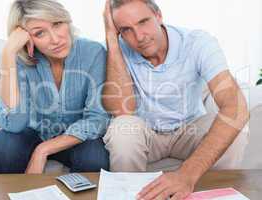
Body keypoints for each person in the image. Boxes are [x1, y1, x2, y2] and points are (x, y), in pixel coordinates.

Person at [102, 0, 249, 199]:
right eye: (126, 30)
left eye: (143, 22)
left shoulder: (197, 42)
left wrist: (186, 174)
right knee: (122, 128)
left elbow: (235, 107)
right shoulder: (117, 50)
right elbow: (121, 110)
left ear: (158, 16)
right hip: (146, 134)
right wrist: (111, 38)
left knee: (236, 133)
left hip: (189, 129)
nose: (139, 37)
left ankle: (213, 194)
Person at [0, 0, 110, 174]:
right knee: (4, 147)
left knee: (94, 157)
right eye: (40, 33)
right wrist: (8, 53)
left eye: (58, 24)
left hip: (75, 137)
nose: (55, 39)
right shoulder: (19, 61)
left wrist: (43, 150)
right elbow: (14, 124)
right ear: (27, 39)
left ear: (67, 21)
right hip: (33, 133)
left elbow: (98, 118)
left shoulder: (93, 53)